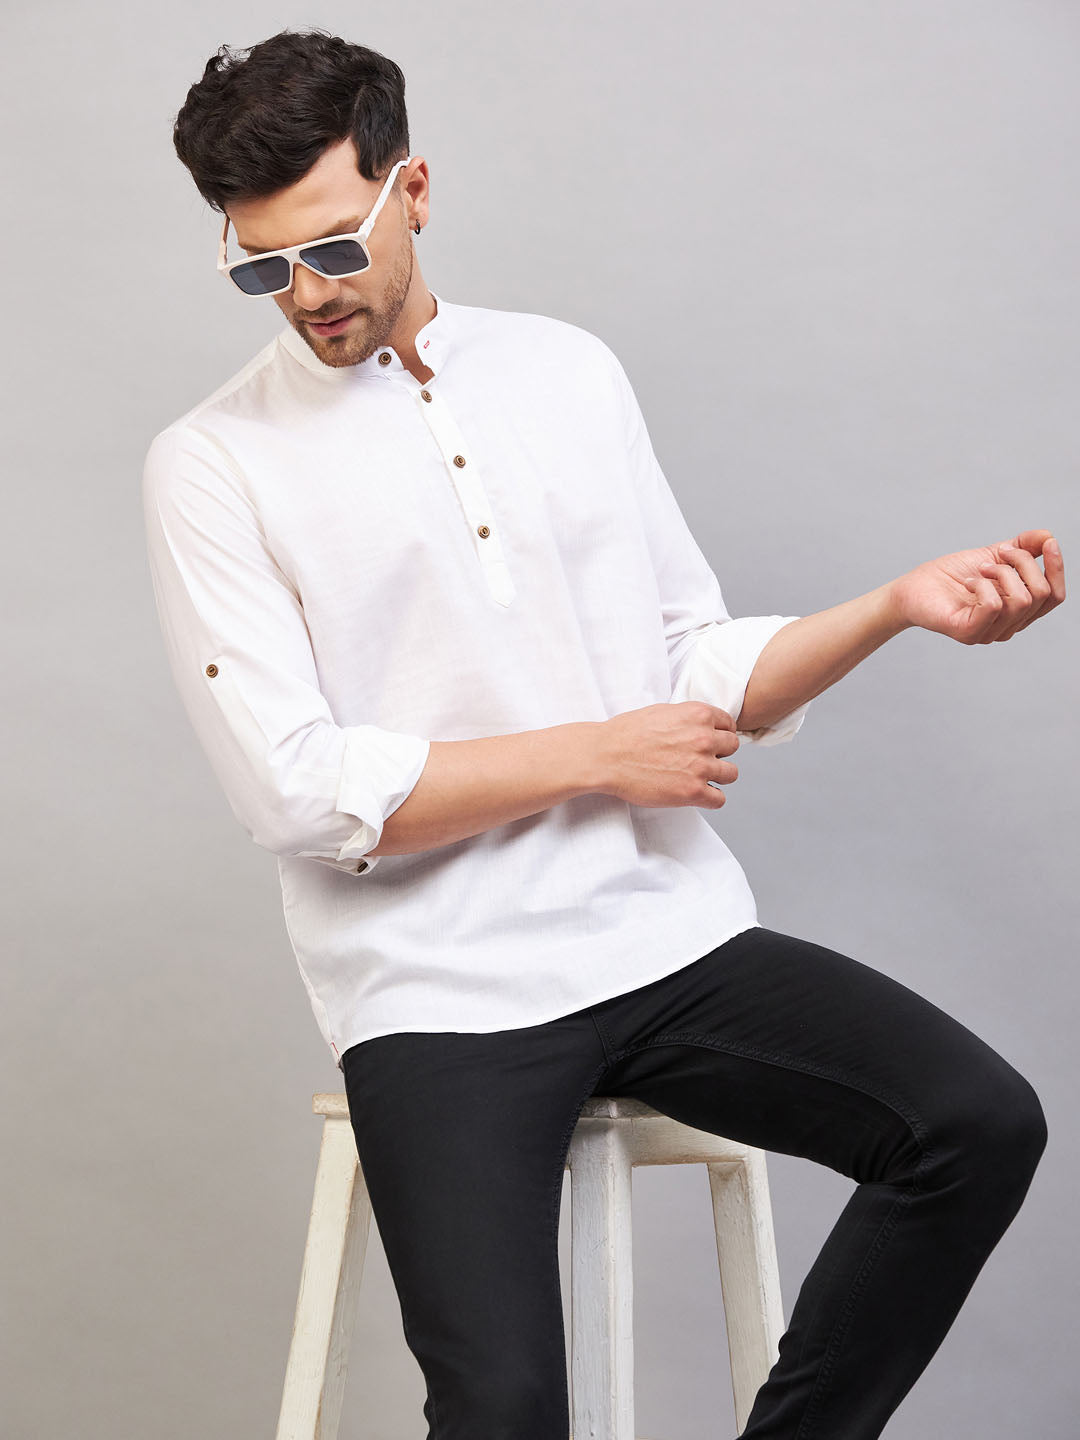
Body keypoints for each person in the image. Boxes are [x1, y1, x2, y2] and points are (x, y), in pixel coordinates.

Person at [145, 28, 1063, 1440]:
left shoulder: (566, 372)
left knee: (976, 1125)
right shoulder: (213, 463)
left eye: (330, 247)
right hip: (436, 990)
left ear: (412, 189)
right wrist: (592, 756)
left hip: (659, 939)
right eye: (262, 268)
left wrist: (894, 608)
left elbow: (686, 665)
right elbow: (295, 789)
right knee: (505, 1407)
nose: (308, 294)